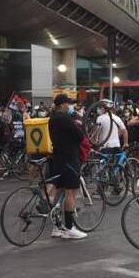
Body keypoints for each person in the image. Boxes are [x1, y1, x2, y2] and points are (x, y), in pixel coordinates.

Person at [47, 94, 89, 240]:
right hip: (69, 158)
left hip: (58, 158)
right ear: (62, 105)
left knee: (59, 192)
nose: (70, 106)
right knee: (71, 192)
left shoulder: (52, 119)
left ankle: (56, 227)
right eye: (68, 104)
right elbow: (79, 135)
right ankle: (70, 228)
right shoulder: (64, 118)